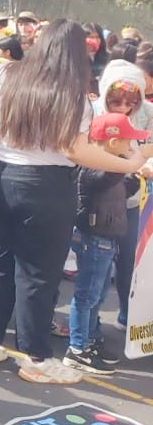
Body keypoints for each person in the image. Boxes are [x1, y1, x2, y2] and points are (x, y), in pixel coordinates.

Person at [0, 20, 144, 384]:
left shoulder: (0, 75)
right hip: (46, 187)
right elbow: (75, 150)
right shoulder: (71, 94)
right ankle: (36, 358)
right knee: (38, 274)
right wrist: (130, 163)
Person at [64, 112, 148, 375]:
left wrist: (137, 176)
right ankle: (78, 349)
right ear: (113, 142)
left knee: (96, 295)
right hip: (94, 238)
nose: (131, 146)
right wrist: (137, 160)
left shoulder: (109, 168)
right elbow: (109, 178)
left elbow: (122, 189)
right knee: (87, 296)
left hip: (104, 238)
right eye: (128, 141)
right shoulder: (94, 167)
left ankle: (89, 340)